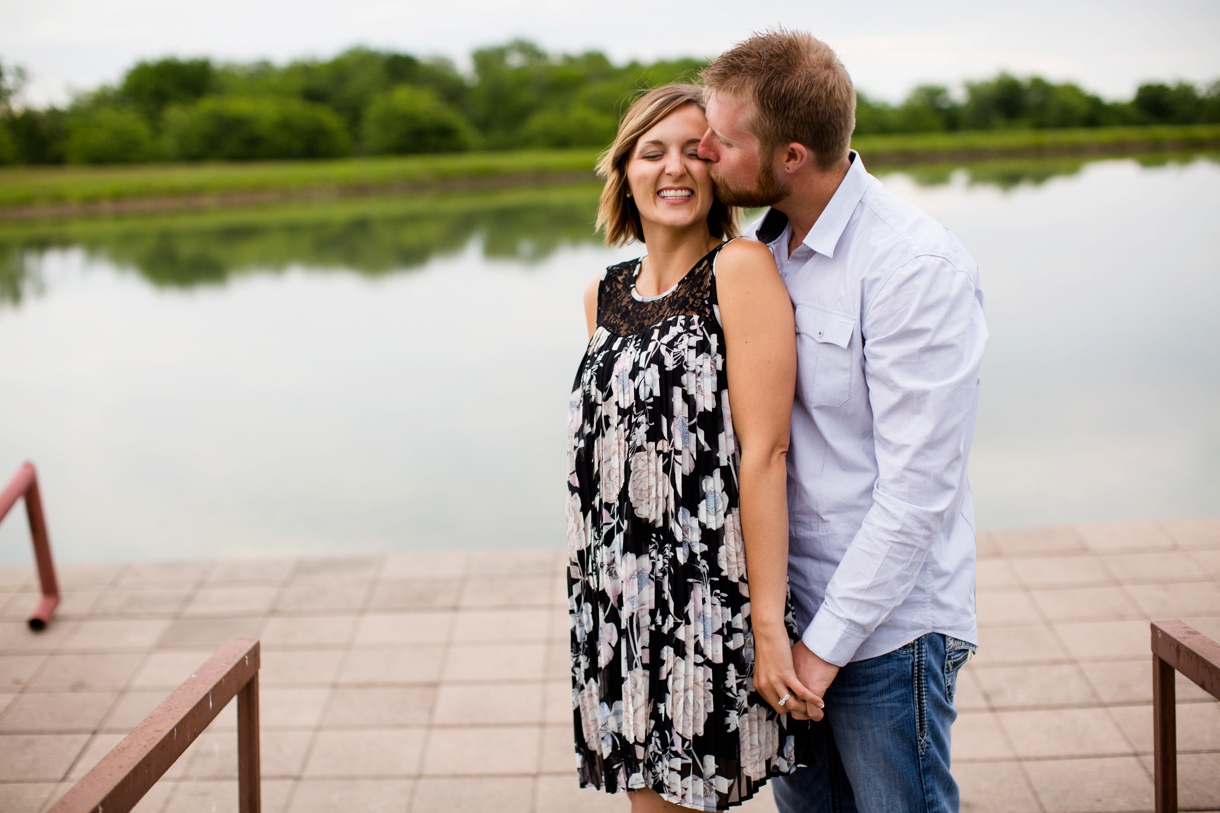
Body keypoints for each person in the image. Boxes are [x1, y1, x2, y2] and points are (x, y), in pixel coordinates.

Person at [697, 30, 988, 813]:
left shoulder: (911, 266)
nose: (704, 150)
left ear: (791, 155)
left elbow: (919, 491)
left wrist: (822, 651)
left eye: (723, 140)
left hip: (886, 633)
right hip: (787, 617)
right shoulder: (759, 253)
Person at [565, 83, 816, 812]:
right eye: (652, 152)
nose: (674, 168)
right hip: (615, 602)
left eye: (694, 151)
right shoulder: (601, 295)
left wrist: (768, 627)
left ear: (716, 173)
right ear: (625, 172)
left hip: (702, 602)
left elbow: (766, 453)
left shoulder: (739, 270)